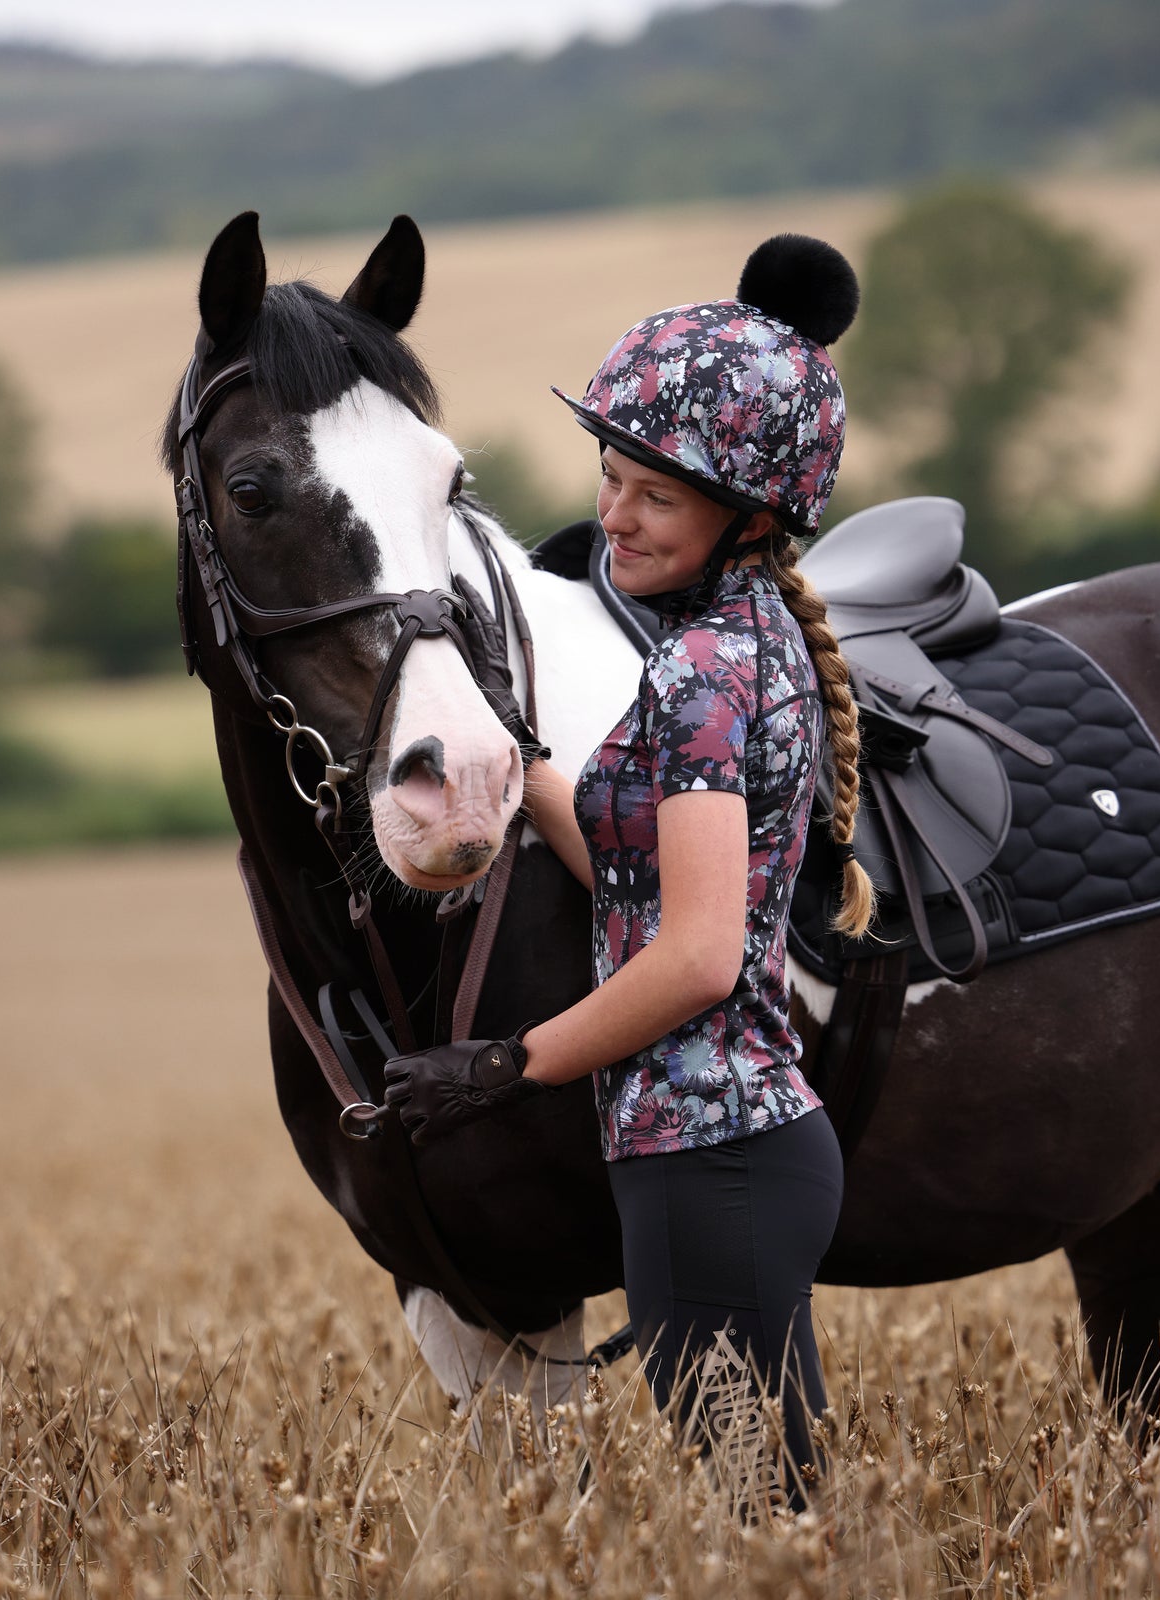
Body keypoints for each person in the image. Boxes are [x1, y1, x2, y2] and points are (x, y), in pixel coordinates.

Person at [383, 233, 875, 1506]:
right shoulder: (738, 640)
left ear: (751, 513)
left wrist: (504, 1063)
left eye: (656, 494)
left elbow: (699, 955)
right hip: (717, 1156)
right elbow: (643, 882)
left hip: (712, 1160)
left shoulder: (707, 674)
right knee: (770, 1514)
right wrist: (532, 774)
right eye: (610, 479)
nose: (612, 517)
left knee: (762, 1517)